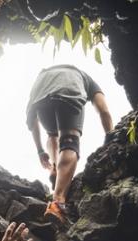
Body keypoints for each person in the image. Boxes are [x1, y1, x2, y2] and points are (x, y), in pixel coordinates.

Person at [26, 65, 114, 223]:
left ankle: (55, 168)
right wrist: (112, 137)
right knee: (69, 141)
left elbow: (32, 119)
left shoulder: (44, 76)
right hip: (69, 90)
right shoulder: (86, 78)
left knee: (52, 133)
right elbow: (104, 111)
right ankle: (58, 201)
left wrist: (40, 150)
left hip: (40, 96)